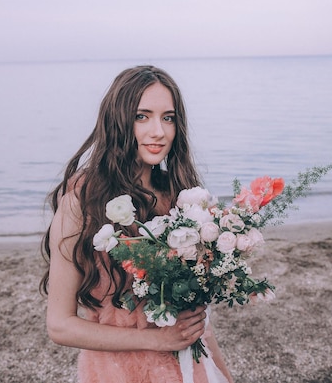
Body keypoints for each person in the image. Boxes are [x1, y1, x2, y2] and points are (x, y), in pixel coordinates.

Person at [41, 65, 234, 383]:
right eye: (142, 116)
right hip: (116, 372)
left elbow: (196, 314)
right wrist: (157, 340)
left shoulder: (180, 198)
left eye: (168, 117)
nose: (158, 131)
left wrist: (223, 375)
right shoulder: (82, 202)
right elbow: (60, 325)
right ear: (118, 121)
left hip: (186, 366)